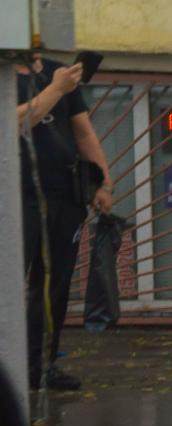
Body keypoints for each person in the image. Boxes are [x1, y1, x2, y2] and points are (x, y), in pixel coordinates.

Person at [16, 57, 111, 391]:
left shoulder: (59, 72)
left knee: (53, 286)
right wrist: (56, 88)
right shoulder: (7, 77)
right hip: (17, 199)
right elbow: (14, 124)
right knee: (11, 285)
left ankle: (41, 366)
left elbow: (83, 131)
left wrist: (102, 182)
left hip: (64, 196)